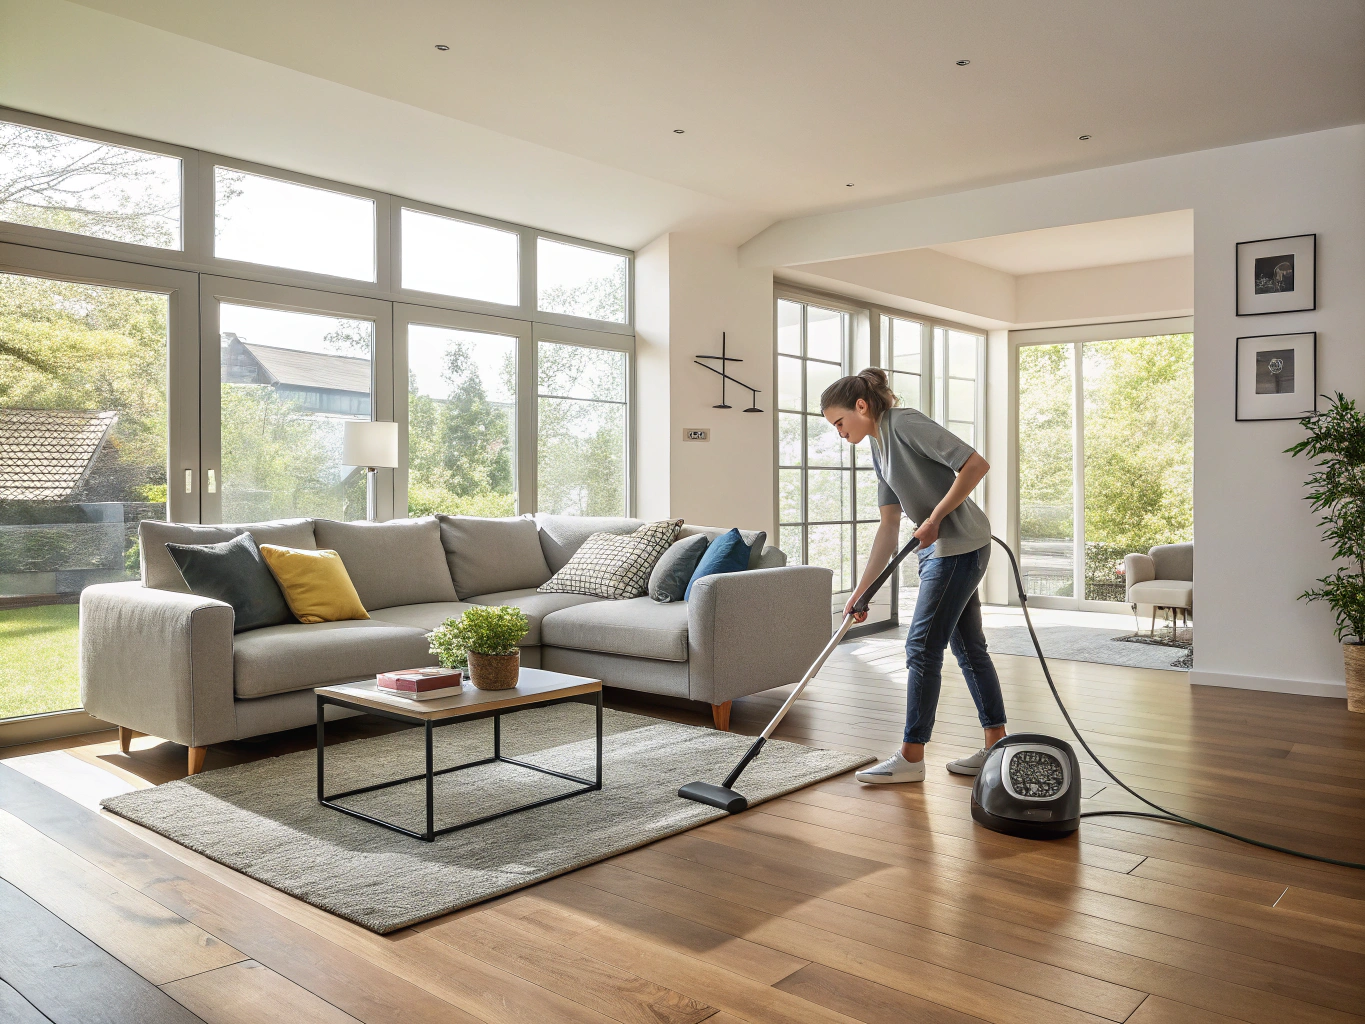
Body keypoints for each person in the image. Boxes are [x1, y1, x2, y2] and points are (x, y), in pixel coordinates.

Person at [821, 368, 1007, 783]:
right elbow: (888, 526)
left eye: (839, 422)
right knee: (969, 649)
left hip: (959, 547)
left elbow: (975, 464)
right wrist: (861, 591)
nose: (839, 432)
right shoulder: (877, 446)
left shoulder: (904, 423)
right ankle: (996, 745)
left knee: (922, 648)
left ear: (862, 406)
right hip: (940, 552)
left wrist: (936, 517)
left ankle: (911, 756)